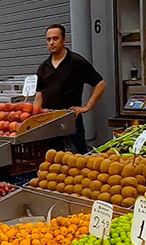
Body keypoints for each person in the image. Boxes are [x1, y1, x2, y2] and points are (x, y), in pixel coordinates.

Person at [35, 24, 106, 154]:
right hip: (49, 120)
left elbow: (100, 84)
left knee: (78, 158)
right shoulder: (44, 67)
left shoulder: (76, 62)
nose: (51, 43)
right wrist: (35, 116)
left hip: (70, 119)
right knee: (53, 159)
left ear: (64, 40)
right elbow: (39, 95)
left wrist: (86, 107)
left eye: (55, 38)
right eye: (48, 39)